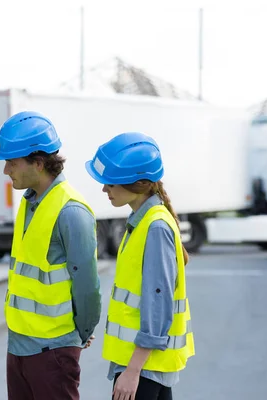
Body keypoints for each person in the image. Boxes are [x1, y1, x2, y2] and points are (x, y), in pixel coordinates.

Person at [0, 111, 102, 400]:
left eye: (11, 163)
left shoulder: (71, 212)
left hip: (52, 351)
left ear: (38, 163)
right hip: (19, 346)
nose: (6, 171)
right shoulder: (30, 203)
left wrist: (80, 334)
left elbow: (87, 287)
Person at [85, 132, 195, 400]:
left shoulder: (154, 227)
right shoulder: (142, 221)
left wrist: (132, 370)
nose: (104, 189)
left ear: (139, 183)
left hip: (142, 367)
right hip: (146, 364)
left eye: (110, 183)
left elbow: (158, 305)